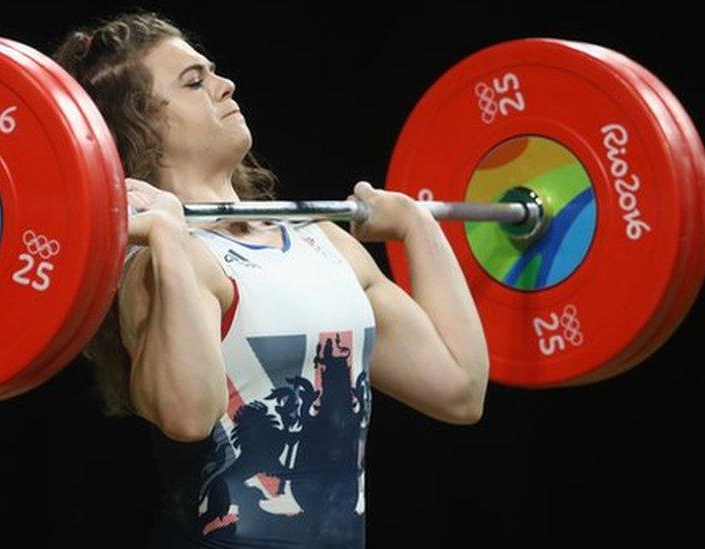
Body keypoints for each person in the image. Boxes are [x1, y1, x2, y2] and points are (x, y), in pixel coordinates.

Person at [53, 10, 489, 548]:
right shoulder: (164, 262)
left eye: (212, 71)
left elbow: (459, 390)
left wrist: (419, 229)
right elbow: (187, 417)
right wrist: (165, 237)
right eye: (194, 81)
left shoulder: (326, 244)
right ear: (141, 126)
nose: (225, 84)